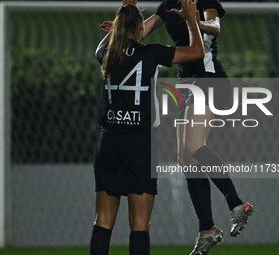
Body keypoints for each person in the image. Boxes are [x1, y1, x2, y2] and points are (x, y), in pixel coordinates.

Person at [100, 1, 254, 255]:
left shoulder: (204, 3)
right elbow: (140, 31)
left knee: (193, 146)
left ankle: (237, 204)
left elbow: (215, 27)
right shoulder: (168, 5)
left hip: (210, 79)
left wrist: (193, 18)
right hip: (188, 86)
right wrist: (120, 28)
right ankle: (207, 228)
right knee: (186, 157)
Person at [91, 1, 204, 255]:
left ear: (118, 28)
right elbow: (197, 51)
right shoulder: (152, 53)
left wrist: (117, 28)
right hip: (139, 146)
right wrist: (190, 21)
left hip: (108, 144)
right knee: (140, 224)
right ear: (141, 26)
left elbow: (102, 46)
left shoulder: (107, 52)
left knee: (102, 222)